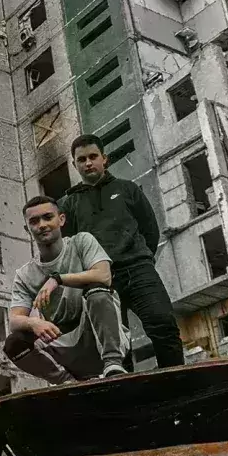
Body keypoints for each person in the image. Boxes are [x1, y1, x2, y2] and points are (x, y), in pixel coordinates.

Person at [56, 134, 185, 369]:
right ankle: (129, 394)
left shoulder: (127, 189)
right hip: (100, 280)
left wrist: (141, 257)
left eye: (93, 157)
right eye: (81, 159)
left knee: (162, 323)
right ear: (74, 165)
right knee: (115, 345)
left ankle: (174, 378)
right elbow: (69, 246)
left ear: (104, 159)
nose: (88, 163)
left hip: (138, 269)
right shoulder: (68, 204)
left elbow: (150, 229)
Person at [3, 195, 128, 384]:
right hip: (63, 344)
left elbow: (104, 276)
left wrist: (58, 279)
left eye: (47, 217)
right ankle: (66, 382)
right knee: (14, 342)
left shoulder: (81, 242)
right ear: (27, 229)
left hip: (96, 337)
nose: (42, 225)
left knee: (97, 290)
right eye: (34, 221)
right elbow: (14, 320)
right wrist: (34, 324)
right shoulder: (25, 274)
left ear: (61, 219)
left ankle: (113, 363)